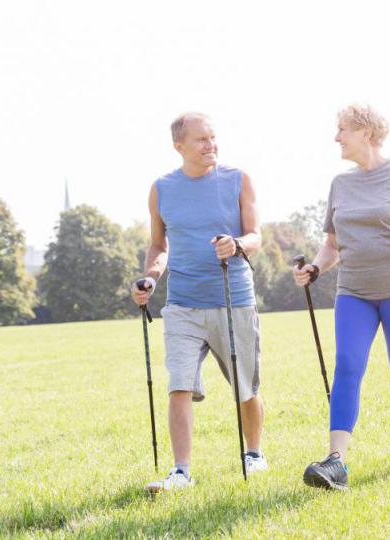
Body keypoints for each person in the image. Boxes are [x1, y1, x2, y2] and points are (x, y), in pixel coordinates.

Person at [294, 104, 390, 491]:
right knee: (348, 365)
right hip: (353, 289)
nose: (336, 137)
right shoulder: (340, 184)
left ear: (367, 133)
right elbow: (332, 245)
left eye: (343, 130)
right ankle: (336, 462)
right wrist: (316, 269)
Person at [131, 112, 267, 490]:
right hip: (182, 304)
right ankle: (181, 471)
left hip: (232, 298)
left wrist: (237, 244)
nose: (211, 145)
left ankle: (253, 453)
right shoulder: (162, 189)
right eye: (201, 140)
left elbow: (256, 234)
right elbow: (159, 245)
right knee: (178, 384)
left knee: (246, 386)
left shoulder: (238, 180)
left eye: (213, 137)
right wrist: (150, 279)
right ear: (180, 147)